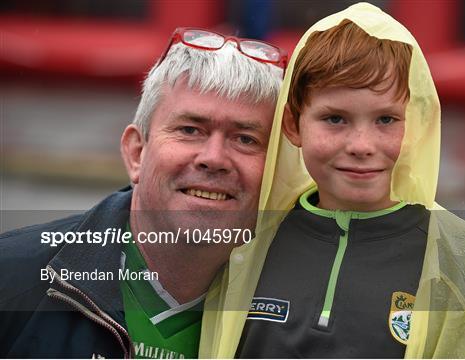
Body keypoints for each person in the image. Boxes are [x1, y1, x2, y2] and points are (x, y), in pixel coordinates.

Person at [198, 3, 465, 358]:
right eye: (335, 119)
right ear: (292, 125)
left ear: (415, 125)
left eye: (386, 120)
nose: (362, 146)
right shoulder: (244, 241)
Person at [0, 28, 285, 358]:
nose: (214, 158)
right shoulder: (11, 281)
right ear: (136, 153)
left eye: (245, 139)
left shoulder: (301, 314)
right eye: (190, 130)